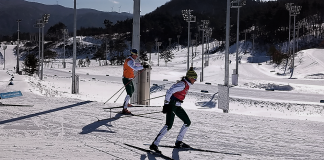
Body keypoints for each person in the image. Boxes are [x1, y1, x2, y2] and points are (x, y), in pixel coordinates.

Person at [149, 67, 197, 153]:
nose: (195, 80)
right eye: (194, 78)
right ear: (190, 78)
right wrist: (166, 104)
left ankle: (179, 142)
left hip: (177, 106)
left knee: (187, 122)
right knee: (168, 125)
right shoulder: (182, 84)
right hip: (172, 105)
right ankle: (155, 144)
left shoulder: (186, 84)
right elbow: (169, 91)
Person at [122, 49, 149, 114]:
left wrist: (141, 64)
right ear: (133, 55)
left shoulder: (130, 60)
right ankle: (124, 108)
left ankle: (126, 103)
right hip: (126, 79)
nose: (136, 56)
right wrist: (143, 66)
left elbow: (135, 64)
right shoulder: (129, 61)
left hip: (129, 78)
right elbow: (135, 68)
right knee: (129, 93)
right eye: (136, 55)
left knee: (132, 90)